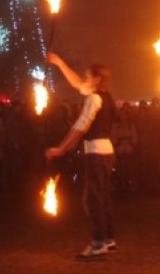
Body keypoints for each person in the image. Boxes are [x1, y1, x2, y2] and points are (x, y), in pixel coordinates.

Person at [45, 52, 116, 261]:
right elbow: (77, 83)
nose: (84, 79)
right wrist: (60, 63)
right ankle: (109, 240)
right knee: (102, 197)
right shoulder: (106, 96)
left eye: (87, 76)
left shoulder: (94, 99)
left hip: (96, 153)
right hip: (106, 152)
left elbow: (79, 128)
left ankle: (98, 243)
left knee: (92, 200)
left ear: (96, 79)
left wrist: (60, 149)